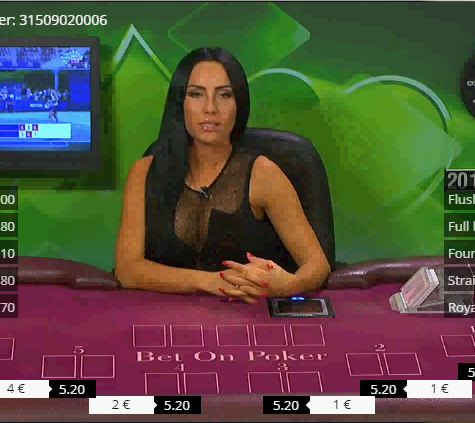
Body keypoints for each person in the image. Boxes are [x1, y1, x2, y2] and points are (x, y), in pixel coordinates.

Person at [114, 47, 330, 304]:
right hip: (160, 316)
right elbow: (127, 270)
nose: (210, 108)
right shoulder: (143, 172)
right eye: (196, 94)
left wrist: (288, 286)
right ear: (179, 103)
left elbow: (317, 265)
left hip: (245, 317)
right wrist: (209, 281)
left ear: (239, 104)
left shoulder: (263, 174)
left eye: (224, 95)